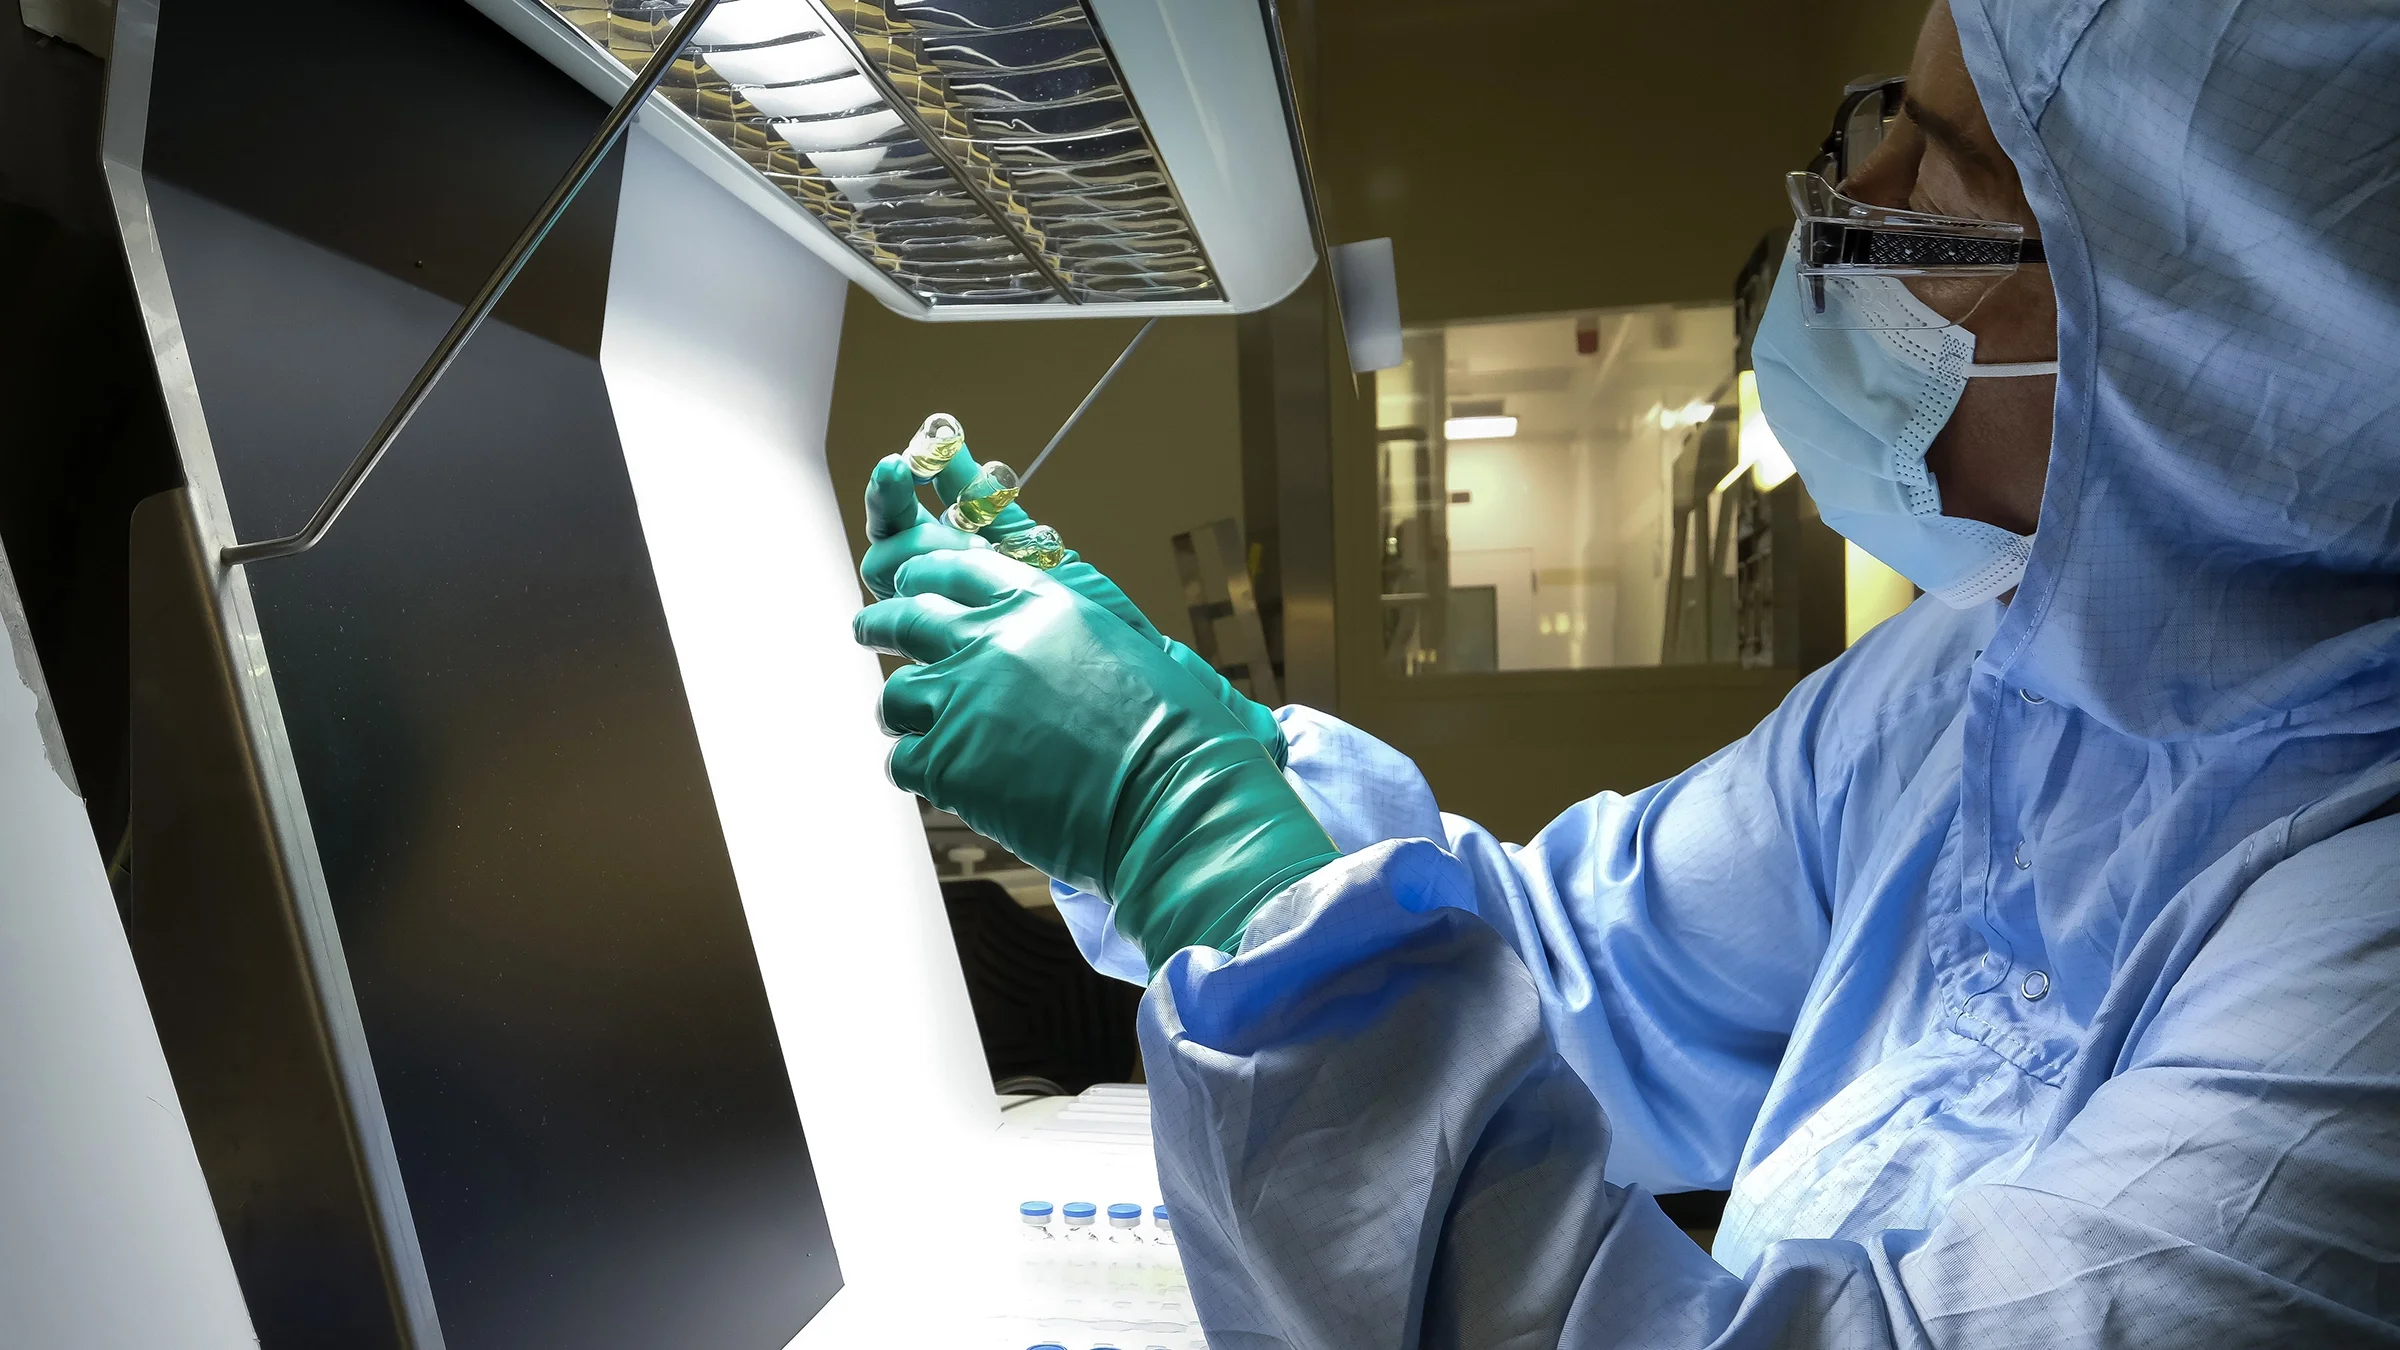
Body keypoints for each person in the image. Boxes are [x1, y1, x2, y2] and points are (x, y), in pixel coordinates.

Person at [854, 0, 2400, 1342]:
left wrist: (1183, 819)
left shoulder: (2364, 972)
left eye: (1947, 179)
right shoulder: (1969, 684)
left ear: (2227, 346)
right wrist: (1215, 767)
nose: (1849, 201)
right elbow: (1565, 961)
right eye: (1888, 123)